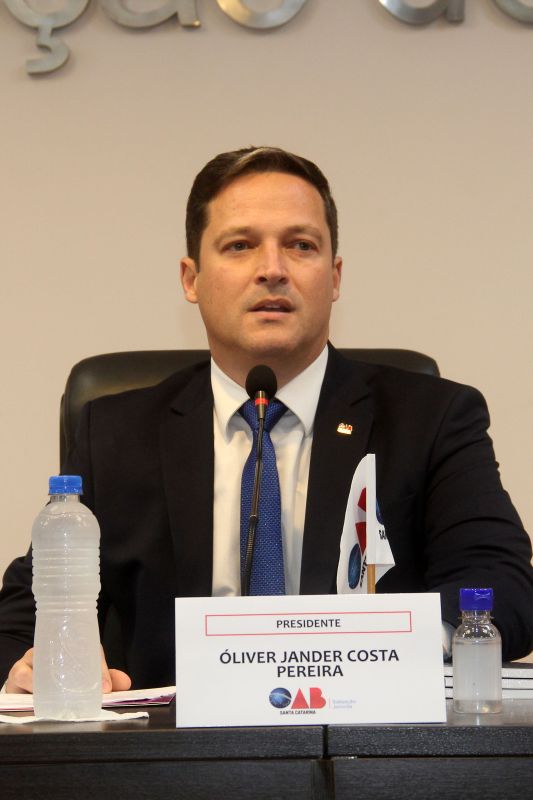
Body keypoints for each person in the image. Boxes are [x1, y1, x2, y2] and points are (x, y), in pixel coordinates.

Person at [1, 146, 533, 691]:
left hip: (363, 737)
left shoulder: (431, 419)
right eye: (240, 245)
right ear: (191, 279)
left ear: (335, 277)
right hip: (170, 741)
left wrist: (391, 652)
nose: (272, 270)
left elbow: (503, 586)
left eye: (301, 245)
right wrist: (31, 666)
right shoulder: (116, 434)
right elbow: (23, 616)